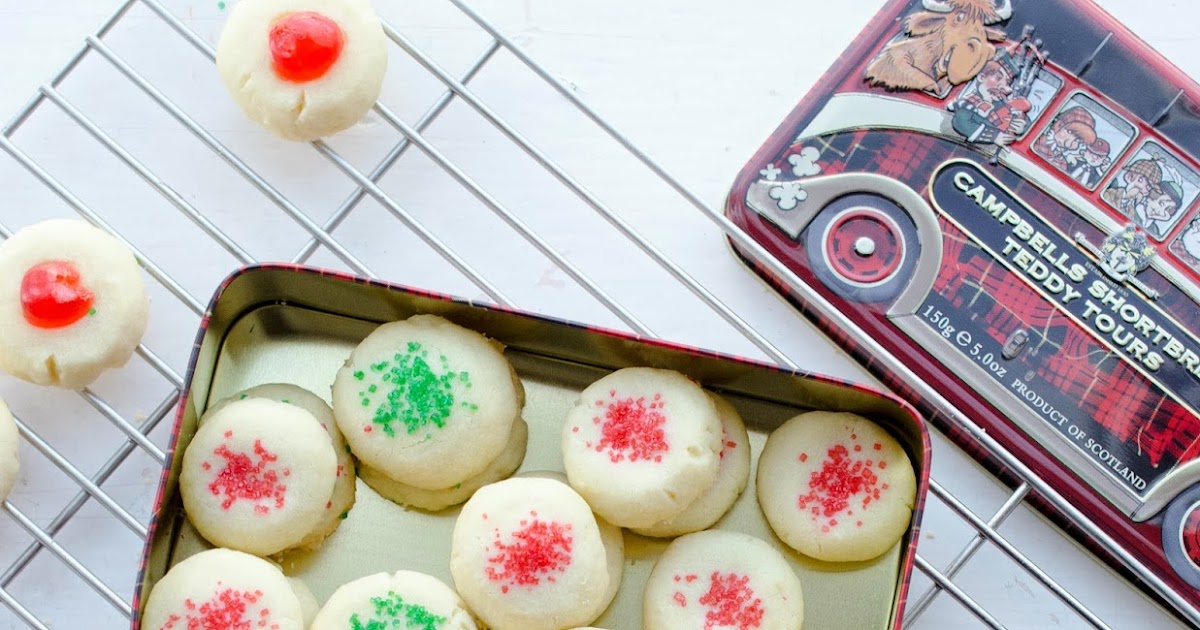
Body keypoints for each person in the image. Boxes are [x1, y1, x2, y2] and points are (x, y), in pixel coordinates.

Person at [949, 51, 1028, 145]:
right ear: (982, 77)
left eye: (1007, 82)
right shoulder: (968, 103)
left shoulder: (1001, 105)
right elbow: (960, 120)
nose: (1005, 87)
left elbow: (1014, 119)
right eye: (998, 78)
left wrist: (1021, 127)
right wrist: (994, 137)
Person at [1032, 106, 1097, 171]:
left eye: (1078, 140)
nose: (1070, 141)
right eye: (1069, 131)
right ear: (1058, 124)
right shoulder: (1038, 142)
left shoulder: (1062, 162)